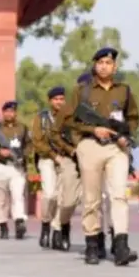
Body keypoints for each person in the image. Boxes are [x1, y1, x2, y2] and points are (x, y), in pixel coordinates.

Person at [54, 47, 139, 266]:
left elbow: (133, 118)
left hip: (116, 149)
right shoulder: (82, 91)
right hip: (89, 146)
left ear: (115, 66)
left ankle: (121, 245)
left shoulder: (124, 91)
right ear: (95, 65)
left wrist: (125, 134)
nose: (104, 66)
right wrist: (92, 130)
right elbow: (64, 120)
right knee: (91, 199)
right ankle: (92, 243)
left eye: (108, 63)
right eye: (100, 62)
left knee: (119, 195)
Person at [47, 74, 87, 252]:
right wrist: (70, 150)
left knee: (96, 200)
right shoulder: (68, 109)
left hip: (93, 158)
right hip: (70, 158)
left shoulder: (101, 109)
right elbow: (54, 134)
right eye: (82, 87)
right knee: (69, 200)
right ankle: (61, 227)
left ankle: (97, 240)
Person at [31, 86, 67, 248]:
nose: (59, 102)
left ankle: (57, 230)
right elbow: (37, 141)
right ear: (50, 101)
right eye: (56, 99)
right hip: (47, 159)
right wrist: (54, 156)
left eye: (61, 99)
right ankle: (46, 224)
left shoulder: (69, 117)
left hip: (66, 159)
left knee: (63, 197)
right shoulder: (41, 118)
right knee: (50, 194)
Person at [0, 100, 29, 240]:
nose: (10, 113)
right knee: (1, 199)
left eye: (13, 111)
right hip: (1, 165)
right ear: (3, 113)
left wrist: (24, 155)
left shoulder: (22, 128)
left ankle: (19, 222)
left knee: (18, 195)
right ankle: (3, 225)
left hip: (16, 166)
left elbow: (29, 144)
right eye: (7, 111)